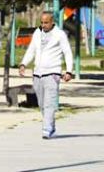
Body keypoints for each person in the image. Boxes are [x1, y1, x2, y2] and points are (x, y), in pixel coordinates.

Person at [19, 11, 73, 139]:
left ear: (52, 22)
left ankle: (46, 129)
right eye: (42, 22)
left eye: (46, 22)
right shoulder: (38, 33)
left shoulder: (59, 35)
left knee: (49, 103)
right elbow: (31, 50)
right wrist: (23, 64)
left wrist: (69, 71)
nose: (43, 25)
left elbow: (68, 53)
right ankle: (51, 126)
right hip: (38, 74)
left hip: (52, 73)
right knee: (42, 104)